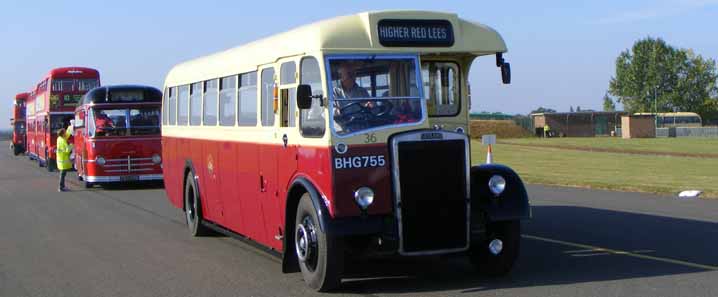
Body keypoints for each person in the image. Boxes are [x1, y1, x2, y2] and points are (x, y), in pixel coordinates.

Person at [56, 127, 73, 192]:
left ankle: (62, 186)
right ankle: (61, 187)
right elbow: (67, 150)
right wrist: (71, 145)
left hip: (61, 159)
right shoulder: (63, 141)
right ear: (63, 134)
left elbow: (67, 135)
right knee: (62, 174)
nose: (66, 133)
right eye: (65, 132)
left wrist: (70, 128)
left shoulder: (59, 139)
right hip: (63, 159)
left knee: (63, 174)